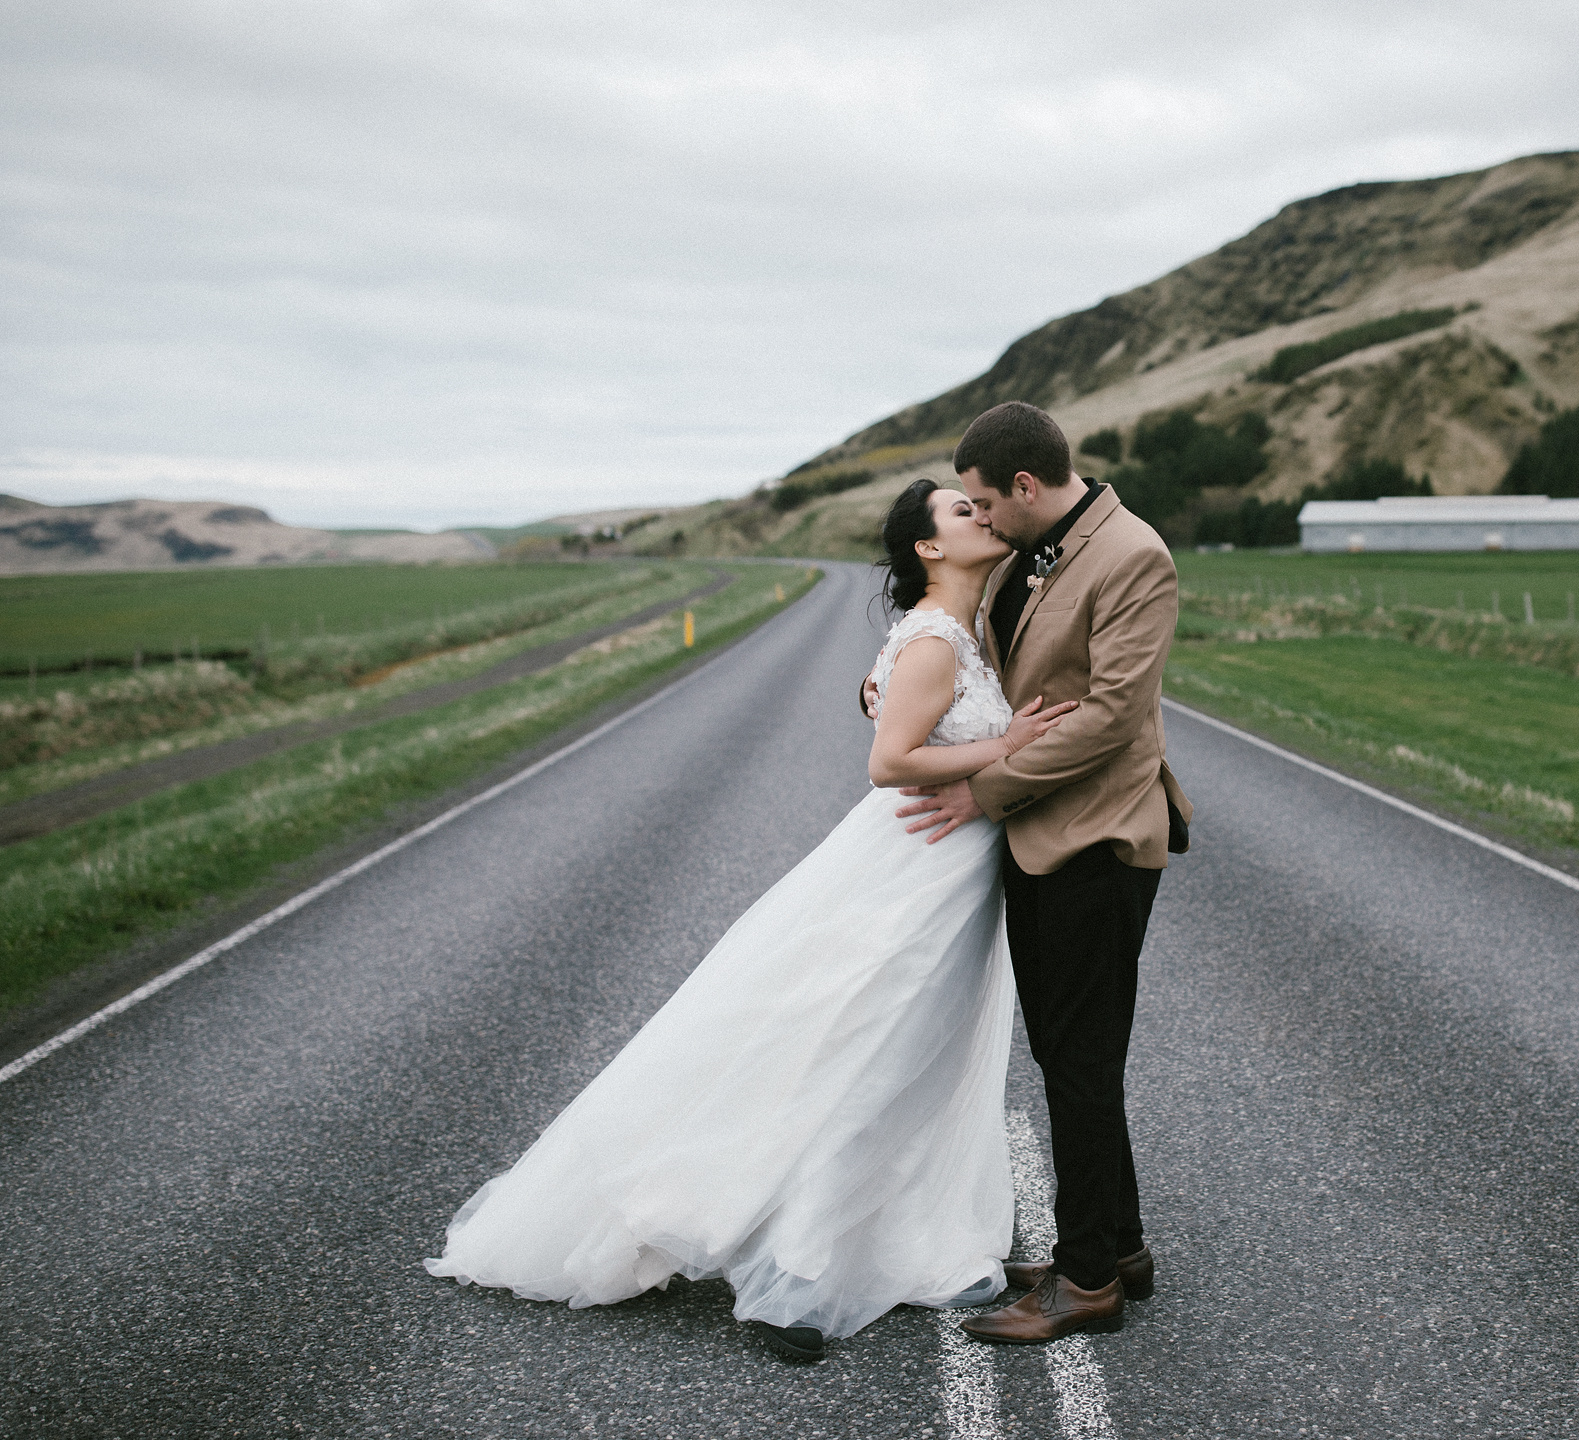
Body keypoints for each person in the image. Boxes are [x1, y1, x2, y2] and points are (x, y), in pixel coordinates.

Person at [425, 480, 1075, 1365]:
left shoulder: (962, 629)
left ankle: (893, 1236)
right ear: (928, 548)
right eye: (962, 511)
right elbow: (890, 760)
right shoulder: (933, 639)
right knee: (864, 1060)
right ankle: (795, 1275)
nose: (982, 514)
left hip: (950, 878)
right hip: (910, 878)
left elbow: (904, 704)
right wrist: (1005, 747)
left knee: (917, 1064)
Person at [867, 401, 1193, 1345]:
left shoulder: (1133, 555)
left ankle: (1087, 1283)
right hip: (1037, 837)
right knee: (1068, 1056)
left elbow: (1112, 717)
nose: (978, 517)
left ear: (1022, 485)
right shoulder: (1023, 550)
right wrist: (885, 691)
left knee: (1081, 1061)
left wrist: (986, 790)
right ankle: (1117, 1245)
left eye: (981, 501)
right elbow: (965, 659)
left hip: (1098, 837)